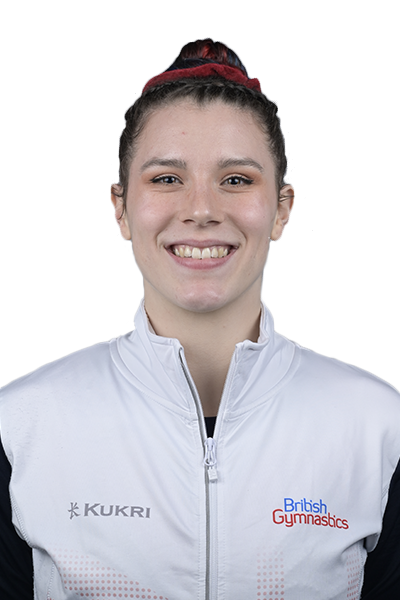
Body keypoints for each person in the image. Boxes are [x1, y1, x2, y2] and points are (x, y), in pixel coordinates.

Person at [0, 38, 399, 600]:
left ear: (281, 209)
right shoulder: (20, 428)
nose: (202, 209)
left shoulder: (380, 430)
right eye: (167, 178)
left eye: (236, 179)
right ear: (121, 207)